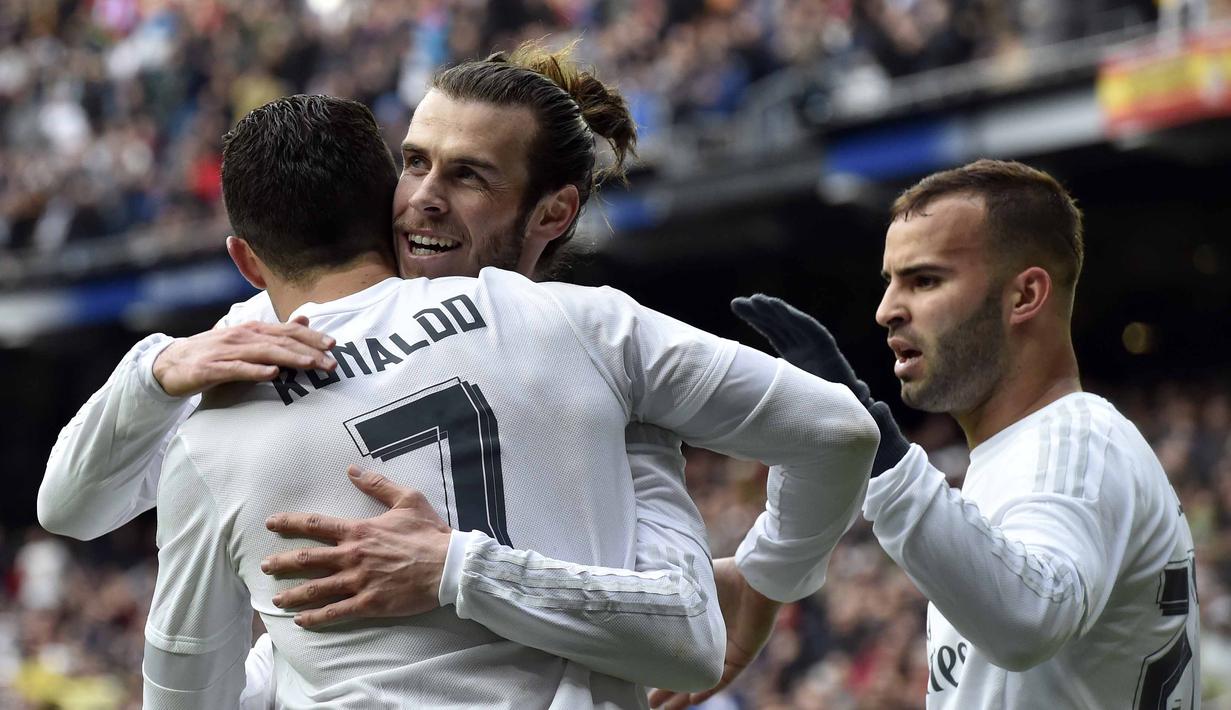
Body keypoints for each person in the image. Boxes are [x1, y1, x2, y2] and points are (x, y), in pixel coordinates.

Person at [40, 46, 877, 706]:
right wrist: (155, 368)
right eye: (413, 162)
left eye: (467, 174)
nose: (423, 199)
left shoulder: (581, 340)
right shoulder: (259, 338)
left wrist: (762, 578)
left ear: (553, 212)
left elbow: (696, 625)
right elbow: (71, 505)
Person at [699, 159, 1201, 709]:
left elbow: (1029, 619)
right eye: (890, 282)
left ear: (1025, 296)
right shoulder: (1020, 454)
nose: (887, 310)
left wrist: (879, 446)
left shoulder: (1076, 440)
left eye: (924, 280)